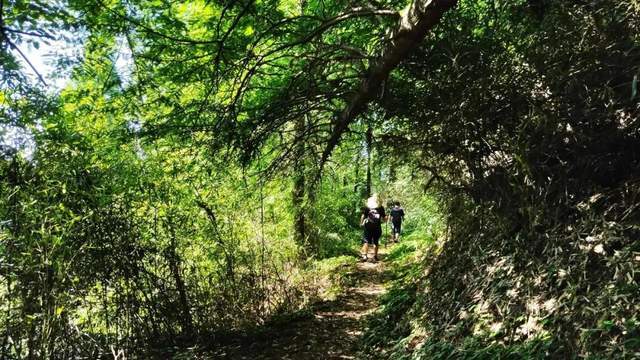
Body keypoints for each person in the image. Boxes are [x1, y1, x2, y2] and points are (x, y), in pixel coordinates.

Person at [359, 194, 386, 262]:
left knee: (366, 240)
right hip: (377, 226)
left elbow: (363, 216)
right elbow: (384, 218)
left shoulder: (367, 207)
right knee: (376, 241)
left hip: (368, 226)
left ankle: (365, 256)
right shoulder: (380, 207)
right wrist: (385, 220)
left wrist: (361, 223)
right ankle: (375, 256)